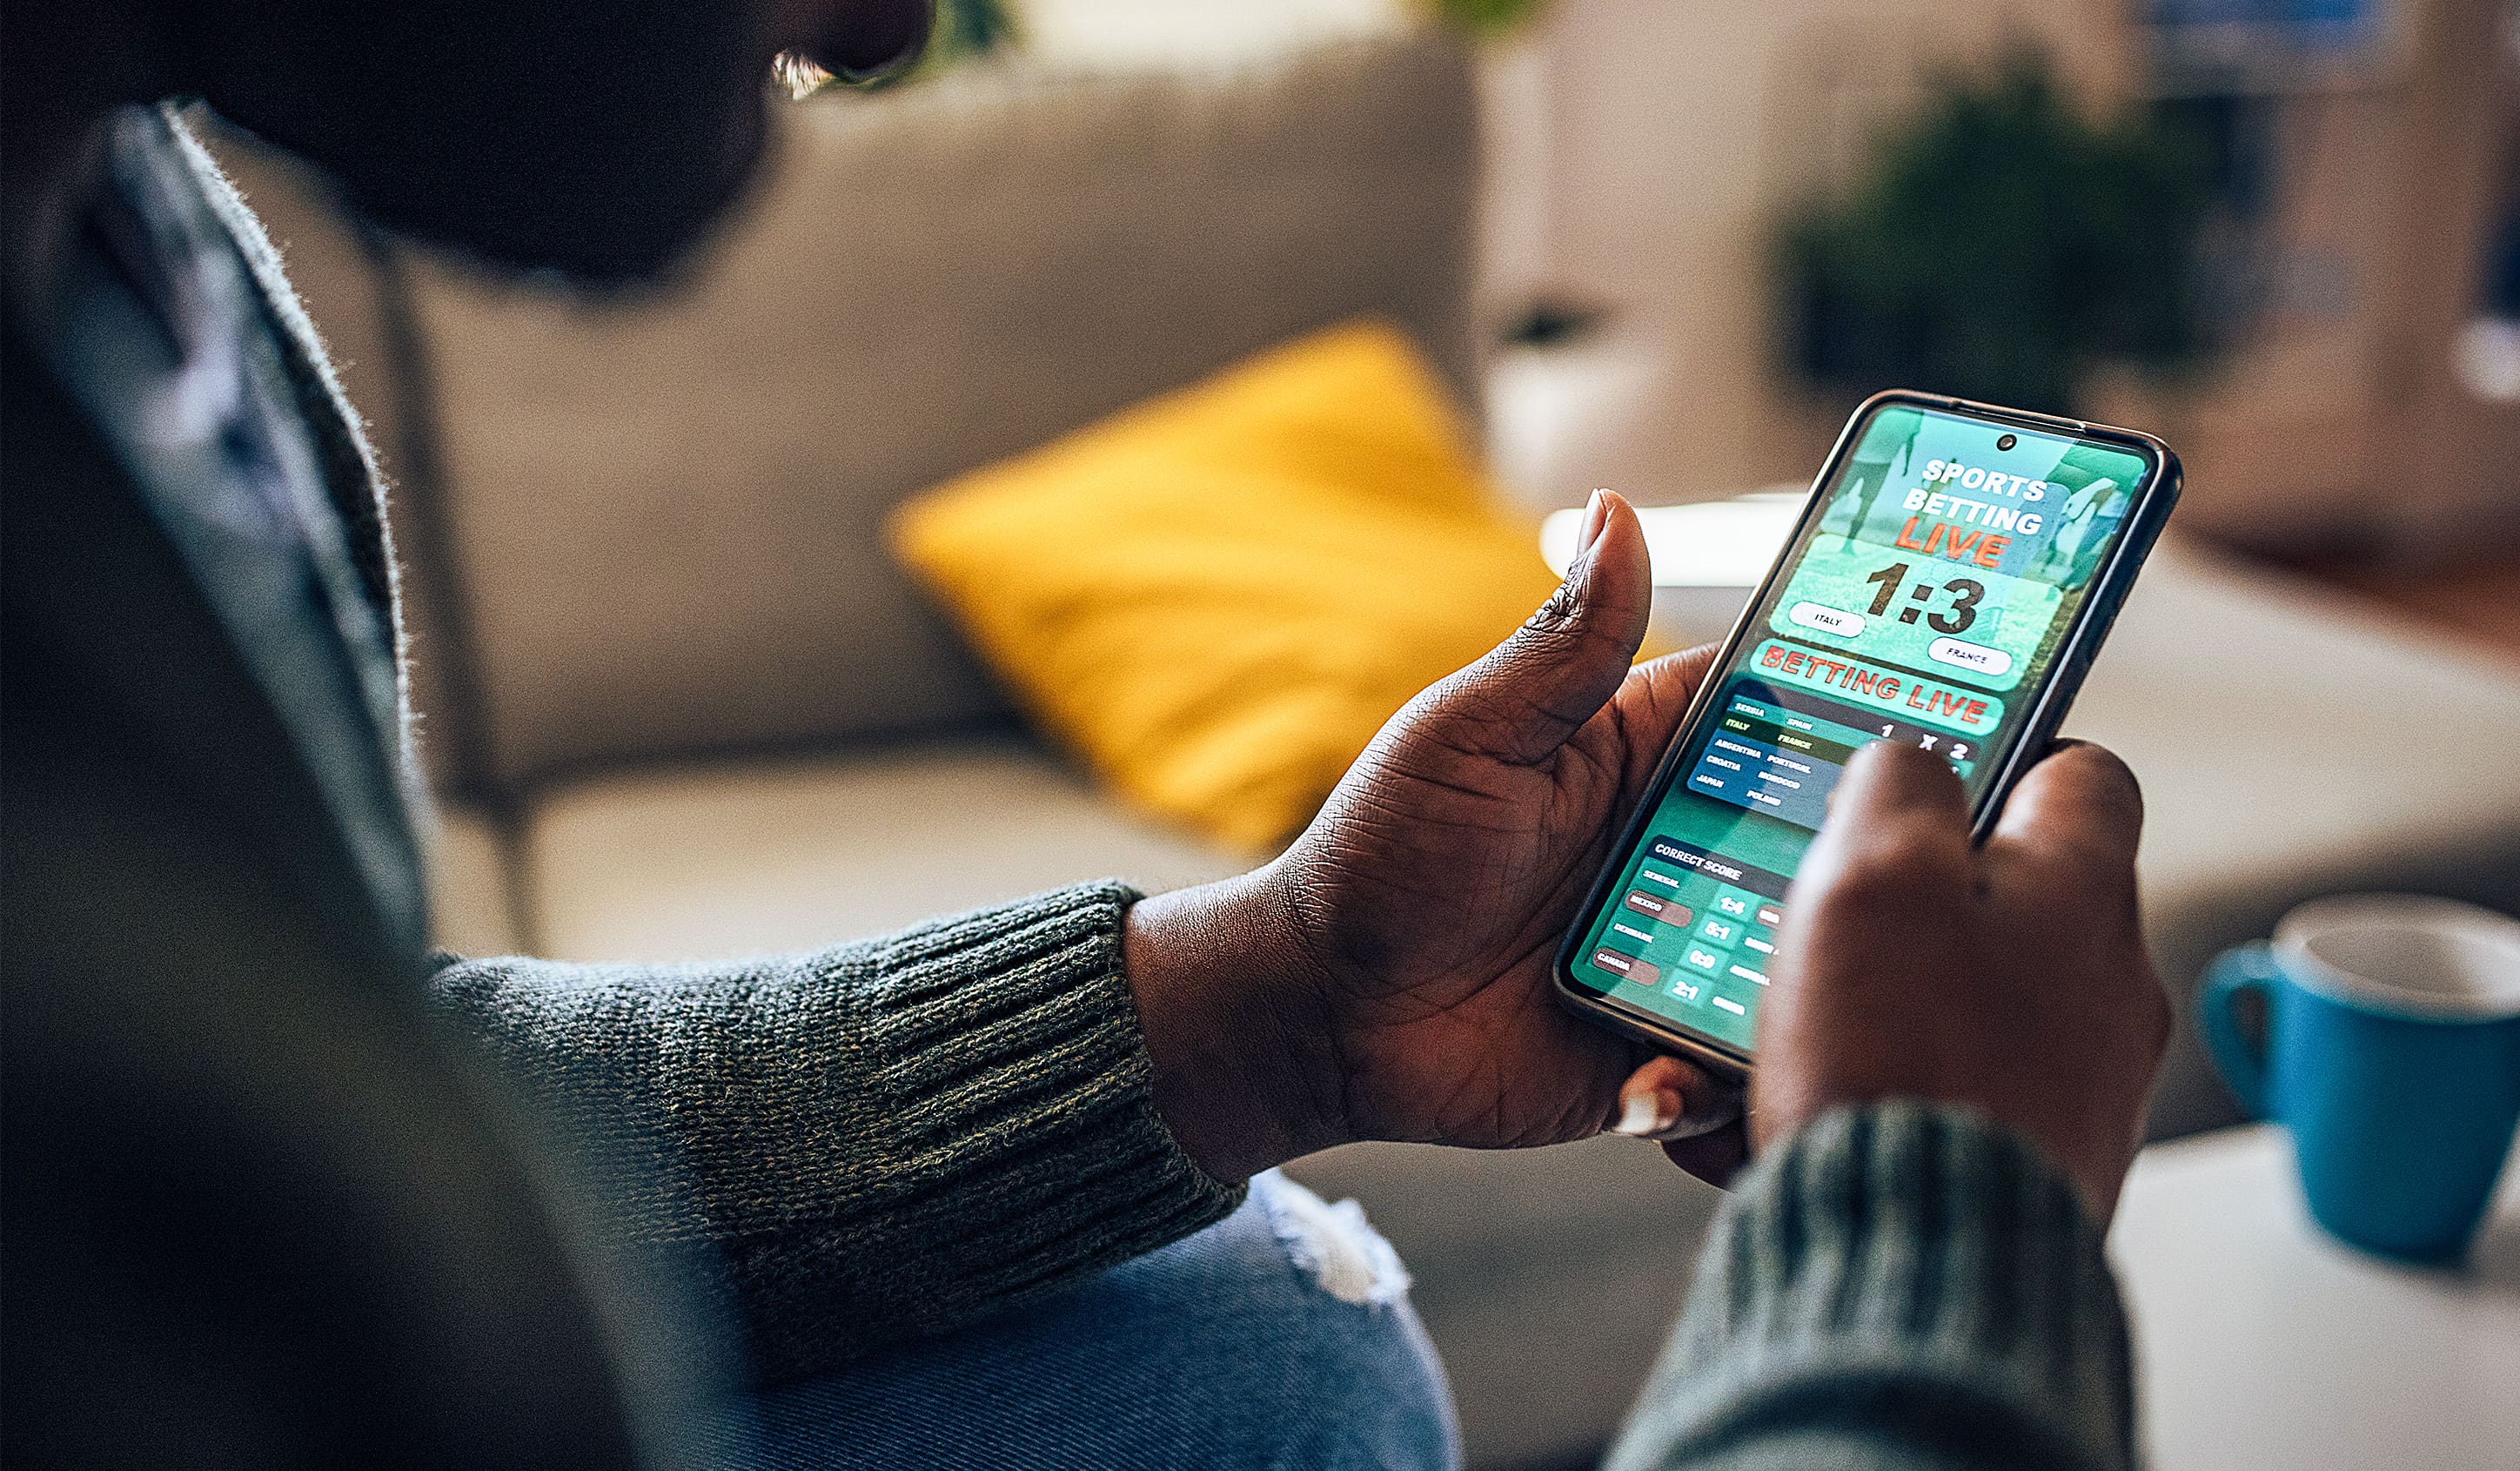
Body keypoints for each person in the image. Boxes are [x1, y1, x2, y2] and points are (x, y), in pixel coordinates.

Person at [0, 0, 2173, 1466]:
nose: (896, 28)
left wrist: (1284, 994)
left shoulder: (122, 217)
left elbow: (409, 1083)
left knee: (1259, 1325)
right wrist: (1932, 1230)